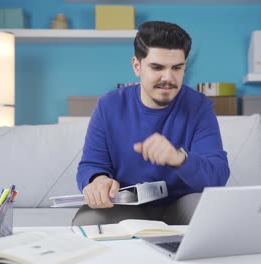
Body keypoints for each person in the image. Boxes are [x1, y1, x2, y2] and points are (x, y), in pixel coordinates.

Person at [72, 21, 229, 226]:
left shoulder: (199, 107)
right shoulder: (108, 106)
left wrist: (179, 158)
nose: (168, 78)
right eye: (157, 67)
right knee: (89, 221)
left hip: (182, 205)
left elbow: (217, 176)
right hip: (126, 206)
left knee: (211, 213)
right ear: (137, 66)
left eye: (177, 68)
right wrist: (98, 180)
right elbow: (92, 165)